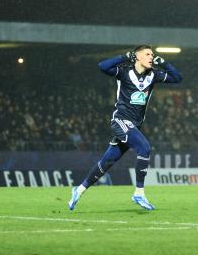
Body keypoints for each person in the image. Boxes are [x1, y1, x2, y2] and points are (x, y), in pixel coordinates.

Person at [68, 45, 182, 211]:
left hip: (134, 126)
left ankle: (78, 190)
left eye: (153, 54)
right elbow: (102, 66)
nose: (152, 57)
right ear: (137, 57)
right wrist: (124, 56)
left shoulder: (154, 75)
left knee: (107, 161)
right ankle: (139, 193)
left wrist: (164, 63)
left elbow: (178, 78)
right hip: (120, 121)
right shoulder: (124, 72)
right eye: (147, 54)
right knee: (144, 148)